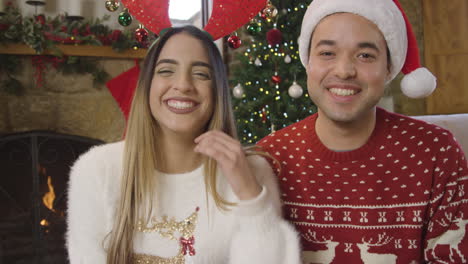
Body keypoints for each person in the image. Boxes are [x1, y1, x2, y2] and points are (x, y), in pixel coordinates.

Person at [66, 26, 301, 264]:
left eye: (201, 74)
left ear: (217, 90)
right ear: (147, 86)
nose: (183, 84)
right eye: (166, 70)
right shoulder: (96, 170)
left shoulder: (252, 170)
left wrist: (250, 196)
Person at [257, 0, 468, 263]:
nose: (344, 71)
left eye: (365, 55)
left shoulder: (436, 152)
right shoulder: (268, 158)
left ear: (389, 68)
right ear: (307, 61)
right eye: (327, 53)